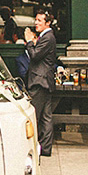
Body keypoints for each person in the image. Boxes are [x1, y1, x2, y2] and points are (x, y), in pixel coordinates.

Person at [24, 10, 56, 157]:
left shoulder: (48, 37)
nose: (36, 23)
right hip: (44, 80)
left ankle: (34, 147)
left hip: (40, 81)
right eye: (35, 20)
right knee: (46, 116)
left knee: (34, 115)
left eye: (39, 20)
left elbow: (35, 56)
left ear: (47, 23)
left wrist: (29, 42)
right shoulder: (47, 37)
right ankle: (45, 148)